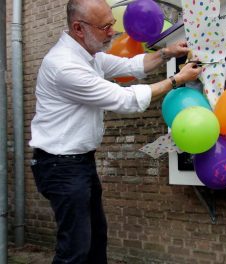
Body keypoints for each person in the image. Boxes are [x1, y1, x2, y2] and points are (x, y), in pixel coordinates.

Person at [29, 0, 201, 263]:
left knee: (96, 240)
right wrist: (177, 79)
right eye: (105, 26)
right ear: (78, 28)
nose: (113, 32)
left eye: (112, 24)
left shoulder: (90, 54)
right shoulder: (65, 66)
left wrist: (167, 53)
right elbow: (126, 100)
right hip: (60, 166)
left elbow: (130, 66)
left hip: (79, 162)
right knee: (75, 249)